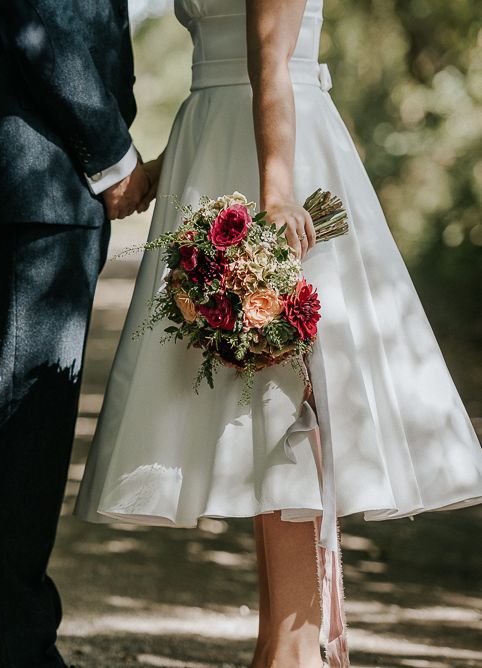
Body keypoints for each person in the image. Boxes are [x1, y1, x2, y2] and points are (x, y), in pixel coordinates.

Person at [75, 1, 482, 666]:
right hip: (214, 147)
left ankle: (293, 650)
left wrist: (275, 201)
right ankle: (281, 645)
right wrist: (160, 167)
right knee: (247, 403)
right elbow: (223, 70)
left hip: (280, 158)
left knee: (284, 397)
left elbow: (271, 69)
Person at [0, 1, 148, 666]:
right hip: (39, 167)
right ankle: (22, 653)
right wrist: (109, 149)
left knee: (28, 421)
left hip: (30, 170)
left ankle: (13, 650)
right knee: (28, 424)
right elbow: (32, 14)